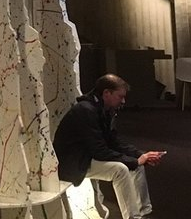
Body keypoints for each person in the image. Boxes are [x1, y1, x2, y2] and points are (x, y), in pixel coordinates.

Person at [53, 74, 165, 219]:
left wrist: (141, 155)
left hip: (85, 157)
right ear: (107, 93)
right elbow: (100, 151)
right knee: (121, 170)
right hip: (73, 164)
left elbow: (114, 142)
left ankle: (145, 214)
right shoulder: (86, 111)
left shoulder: (102, 110)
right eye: (120, 96)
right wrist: (135, 160)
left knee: (137, 166)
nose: (123, 101)